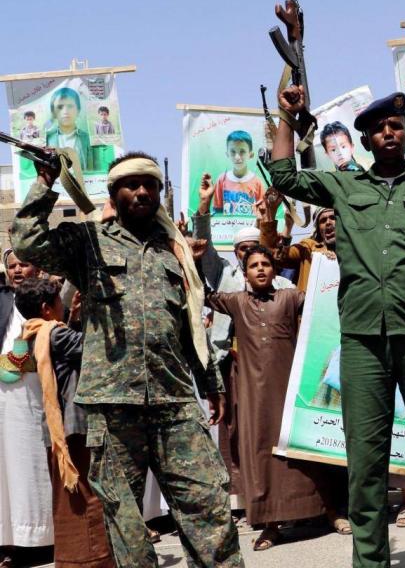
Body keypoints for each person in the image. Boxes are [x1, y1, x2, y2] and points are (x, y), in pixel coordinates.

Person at [268, 87, 405, 568]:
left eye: (396, 126)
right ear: (365, 140)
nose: (389, 132)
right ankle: (370, 562)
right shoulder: (343, 187)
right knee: (365, 463)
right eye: (380, 128)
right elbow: (282, 173)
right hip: (362, 341)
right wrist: (287, 113)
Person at [11, 151, 242, 568]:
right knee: (127, 529)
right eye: (130, 185)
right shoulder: (88, 243)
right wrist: (45, 180)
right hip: (113, 411)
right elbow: (27, 240)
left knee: (210, 512)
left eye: (149, 184)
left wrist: (211, 383)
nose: (141, 192)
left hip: (174, 404)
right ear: (114, 193)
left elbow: (190, 325)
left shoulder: (176, 250)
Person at [201, 244, 349, 548]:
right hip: (254, 395)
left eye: (265, 264)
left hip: (291, 391)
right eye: (253, 265)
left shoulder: (290, 297)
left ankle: (331, 512)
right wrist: (187, 255)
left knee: (304, 449)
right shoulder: (236, 302)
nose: (260, 269)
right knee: (261, 453)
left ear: (274, 270)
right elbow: (202, 294)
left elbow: (324, 295)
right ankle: (269, 525)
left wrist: (335, 261)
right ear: (245, 273)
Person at [193, 172, 294, 492]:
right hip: (230, 360)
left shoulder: (280, 285)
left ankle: (275, 488)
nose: (247, 253)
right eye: (242, 249)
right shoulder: (224, 274)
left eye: (253, 248)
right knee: (234, 426)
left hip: (269, 363)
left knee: (272, 424)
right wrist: (205, 205)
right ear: (235, 251)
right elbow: (202, 247)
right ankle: (239, 491)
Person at [14, 277, 113, 568]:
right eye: (59, 302)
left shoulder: (35, 331)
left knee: (69, 495)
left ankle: (72, 559)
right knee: (86, 492)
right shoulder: (52, 334)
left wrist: (73, 316)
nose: (63, 304)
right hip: (74, 427)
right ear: (47, 309)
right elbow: (90, 350)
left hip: (59, 429)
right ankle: (93, 559)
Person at [0, 253, 54, 566]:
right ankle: (9, 540)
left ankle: (39, 540)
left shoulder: (47, 299)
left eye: (23, 264)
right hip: (4, 402)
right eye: (12, 266)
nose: (18, 270)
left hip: (35, 399)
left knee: (31, 465)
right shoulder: (3, 301)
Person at [259, 187, 337, 291]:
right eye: (323, 220)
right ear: (318, 229)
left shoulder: (357, 248)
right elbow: (273, 255)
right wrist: (271, 212)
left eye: (333, 218)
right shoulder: (308, 248)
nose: (328, 222)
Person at [213, 130, 265, 216]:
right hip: (227, 228)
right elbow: (217, 212)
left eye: (242, 152)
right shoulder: (221, 180)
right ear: (227, 154)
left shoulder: (257, 182)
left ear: (251, 154)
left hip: (251, 228)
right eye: (233, 152)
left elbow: (263, 213)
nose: (237, 157)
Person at [44, 87, 94, 171]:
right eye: (60, 107)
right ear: (53, 112)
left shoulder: (87, 139)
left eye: (70, 106)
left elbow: (92, 170)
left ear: (78, 110)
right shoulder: (47, 139)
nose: (65, 111)